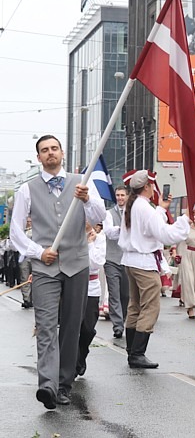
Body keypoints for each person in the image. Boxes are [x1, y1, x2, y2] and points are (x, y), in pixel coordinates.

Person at [10, 134, 106, 409]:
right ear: (38, 157)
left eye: (54, 148)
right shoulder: (27, 189)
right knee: (46, 326)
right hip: (45, 267)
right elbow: (17, 231)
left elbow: (100, 217)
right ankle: (48, 386)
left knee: (72, 327)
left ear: (62, 153)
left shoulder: (82, 182)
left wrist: (87, 200)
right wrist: (38, 252)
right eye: (44, 150)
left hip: (77, 263)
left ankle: (64, 384)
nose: (50, 153)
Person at [119, 170, 190, 369]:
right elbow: (164, 234)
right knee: (150, 306)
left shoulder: (133, 205)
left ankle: (132, 350)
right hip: (143, 262)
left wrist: (160, 209)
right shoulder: (144, 207)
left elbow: (148, 227)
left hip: (132, 260)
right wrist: (184, 221)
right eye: (153, 185)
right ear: (147, 187)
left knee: (135, 305)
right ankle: (137, 353)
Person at [76, 223, 106, 377]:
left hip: (92, 287)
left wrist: (90, 243)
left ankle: (82, 353)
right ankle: (73, 362)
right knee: (73, 328)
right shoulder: (73, 234)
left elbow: (95, 263)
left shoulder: (100, 239)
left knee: (88, 329)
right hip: (73, 286)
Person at [102, 186, 130, 338]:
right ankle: (117, 326)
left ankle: (123, 318)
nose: (119, 198)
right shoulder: (108, 214)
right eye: (117, 195)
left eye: (122, 195)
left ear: (127, 196)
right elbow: (109, 233)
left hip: (127, 259)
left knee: (125, 295)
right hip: (111, 259)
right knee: (114, 294)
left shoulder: (132, 213)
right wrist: (123, 228)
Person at [19, 217, 33, 308]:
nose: (28, 223)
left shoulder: (36, 231)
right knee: (25, 279)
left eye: (30, 222)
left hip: (35, 257)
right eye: (27, 222)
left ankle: (33, 299)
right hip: (24, 257)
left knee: (35, 279)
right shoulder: (22, 232)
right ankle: (26, 299)